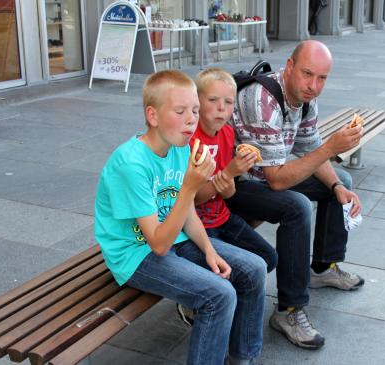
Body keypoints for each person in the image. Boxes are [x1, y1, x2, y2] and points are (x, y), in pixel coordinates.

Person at [94, 70, 266, 365]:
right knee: (219, 295)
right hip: (136, 254)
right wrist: (190, 186)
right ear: (153, 115)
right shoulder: (131, 164)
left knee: (255, 268)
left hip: (175, 238)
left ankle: (242, 357)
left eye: (195, 111)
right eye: (180, 111)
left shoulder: (180, 148)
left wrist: (209, 251)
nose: (191, 119)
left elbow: (185, 212)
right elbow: (159, 245)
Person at [226, 40, 364, 349]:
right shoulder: (260, 101)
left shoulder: (305, 96)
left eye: (322, 78)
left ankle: (323, 267)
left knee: (340, 179)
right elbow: (275, 181)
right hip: (232, 184)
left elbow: (309, 148)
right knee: (296, 207)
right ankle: (288, 309)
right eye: (307, 74)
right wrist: (332, 148)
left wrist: (337, 187)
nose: (314, 86)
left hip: (266, 174)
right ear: (289, 66)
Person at [190, 68, 278, 273]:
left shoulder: (227, 133)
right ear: (197, 101)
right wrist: (229, 173)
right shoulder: (190, 139)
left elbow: (228, 193)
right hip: (196, 226)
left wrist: (231, 179)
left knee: (268, 258)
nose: (221, 108)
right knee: (237, 270)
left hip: (222, 217)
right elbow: (193, 199)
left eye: (228, 102)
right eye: (212, 100)